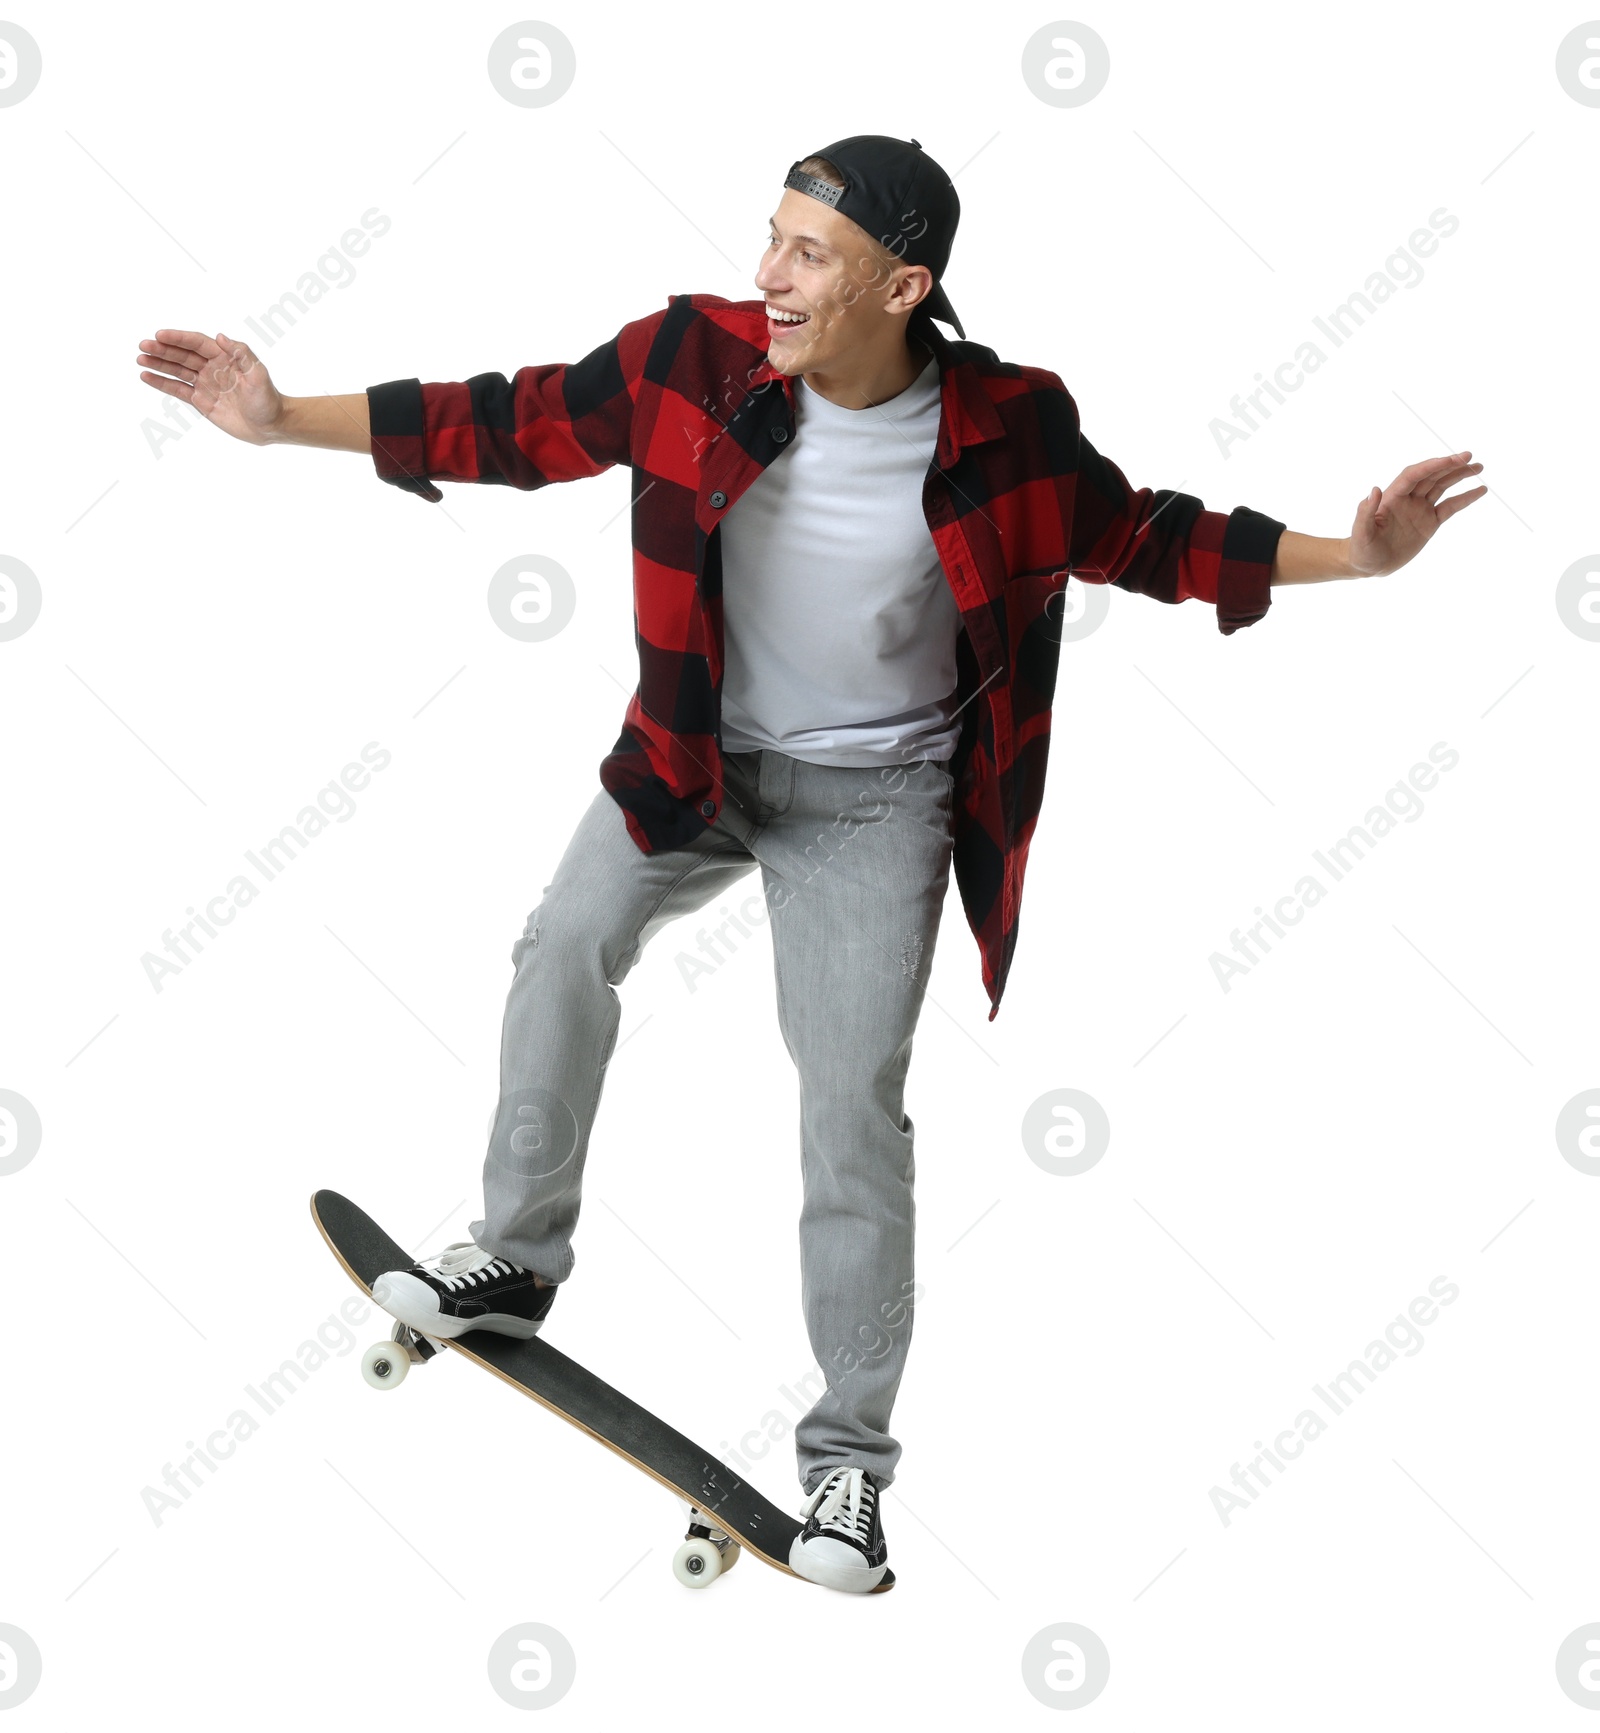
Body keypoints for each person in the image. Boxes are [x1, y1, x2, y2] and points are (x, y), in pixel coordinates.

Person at [134, 134, 1485, 1594]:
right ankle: (515, 1254)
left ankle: (847, 1460)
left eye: (808, 253)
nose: (767, 274)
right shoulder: (686, 361)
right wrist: (277, 421)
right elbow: (509, 421)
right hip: (691, 759)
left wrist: (1355, 559)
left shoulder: (1007, 427)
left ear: (903, 285)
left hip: (879, 799)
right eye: (769, 239)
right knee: (563, 942)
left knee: (851, 1105)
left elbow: (1141, 534)